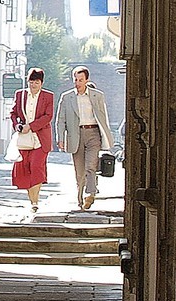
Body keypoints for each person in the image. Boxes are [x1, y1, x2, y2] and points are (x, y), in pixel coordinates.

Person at [55, 65, 114, 210]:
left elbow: (103, 117)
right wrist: (60, 138)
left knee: (91, 165)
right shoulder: (67, 97)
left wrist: (106, 135)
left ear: (87, 80)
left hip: (93, 133)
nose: (78, 82)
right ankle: (80, 197)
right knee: (79, 170)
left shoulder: (97, 95)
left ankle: (91, 194)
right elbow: (60, 120)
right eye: (75, 79)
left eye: (81, 80)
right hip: (76, 134)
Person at [10, 67, 54, 216]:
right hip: (24, 138)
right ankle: (32, 200)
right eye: (31, 82)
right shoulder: (20, 94)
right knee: (26, 168)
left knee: (36, 167)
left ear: (41, 83)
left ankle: (35, 201)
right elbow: (13, 113)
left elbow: (48, 116)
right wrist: (17, 125)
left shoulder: (48, 96)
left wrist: (31, 126)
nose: (33, 85)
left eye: (36, 82)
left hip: (40, 138)